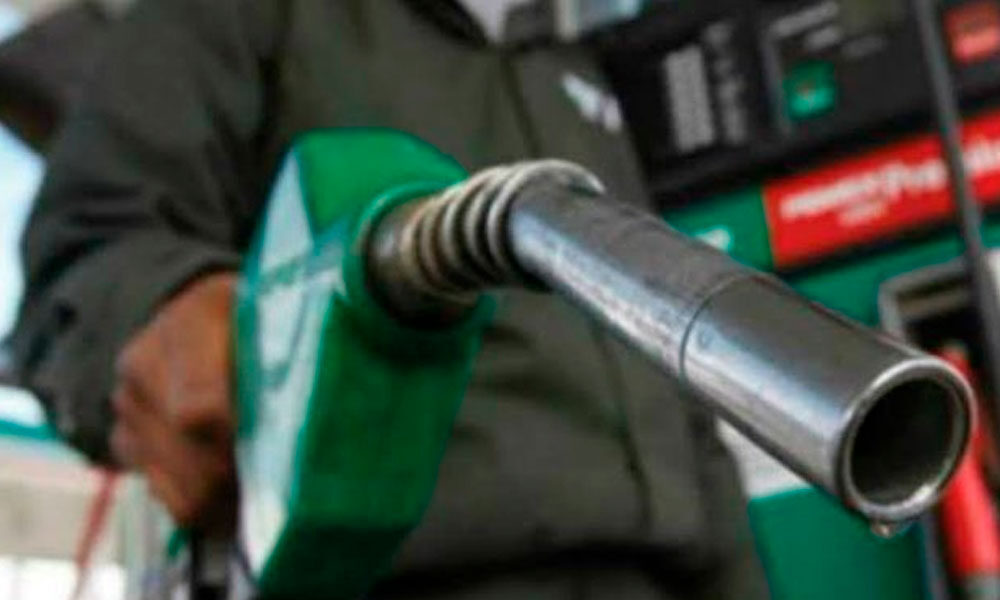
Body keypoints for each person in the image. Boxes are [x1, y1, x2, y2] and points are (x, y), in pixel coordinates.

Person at [10, 1, 769, 598]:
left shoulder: (569, 67)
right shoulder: (251, 15)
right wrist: (154, 307)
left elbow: (679, 398)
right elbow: (91, 249)